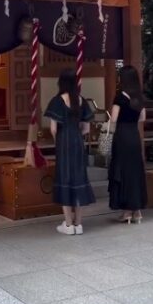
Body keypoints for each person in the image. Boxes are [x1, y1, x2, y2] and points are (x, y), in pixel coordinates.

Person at [45, 68, 95, 235]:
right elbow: (86, 129)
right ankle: (79, 224)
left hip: (64, 142)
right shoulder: (81, 101)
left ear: (61, 82)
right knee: (79, 178)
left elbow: (53, 129)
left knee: (65, 179)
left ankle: (68, 225)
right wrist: (76, 136)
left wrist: (58, 141)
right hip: (78, 142)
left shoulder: (57, 101)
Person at [107, 65, 148, 223]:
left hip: (122, 135)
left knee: (123, 171)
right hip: (134, 135)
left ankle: (126, 213)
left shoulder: (120, 97)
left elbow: (114, 119)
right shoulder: (139, 97)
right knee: (135, 171)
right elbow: (143, 118)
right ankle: (137, 211)